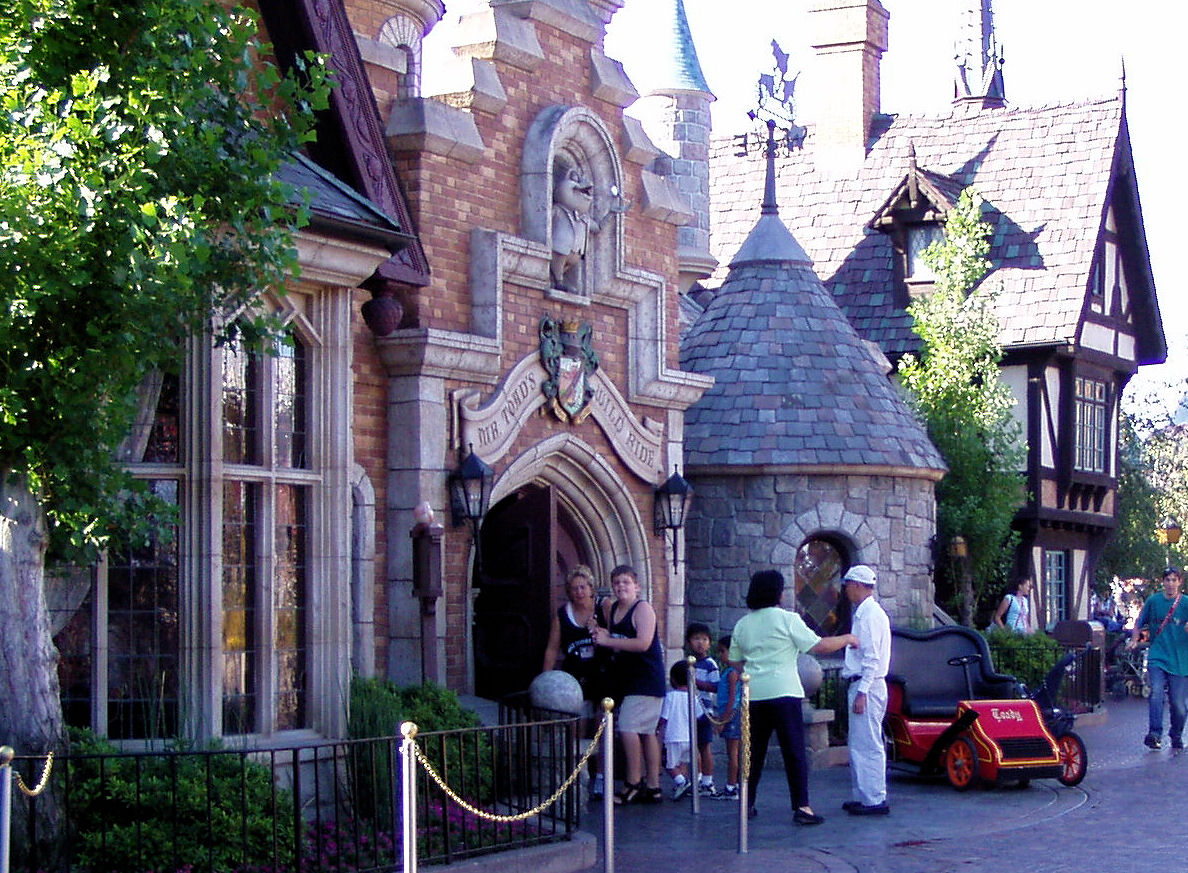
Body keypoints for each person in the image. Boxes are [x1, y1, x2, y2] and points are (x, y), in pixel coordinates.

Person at [727, 569, 857, 825]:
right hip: (785, 693)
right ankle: (801, 806)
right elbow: (819, 645)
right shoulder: (788, 619)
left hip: (754, 694)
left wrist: (756, 670)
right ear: (777, 592)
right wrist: (848, 638)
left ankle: (747, 803)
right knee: (794, 752)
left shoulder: (743, 624)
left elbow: (734, 661)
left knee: (752, 752)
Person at [591, 564, 666, 804]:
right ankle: (653, 786)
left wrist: (609, 640)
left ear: (637, 586)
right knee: (645, 732)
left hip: (647, 679)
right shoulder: (614, 609)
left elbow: (643, 643)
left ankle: (633, 782)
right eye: (616, 583)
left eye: (626, 582)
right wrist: (601, 635)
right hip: (628, 680)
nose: (621, 586)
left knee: (627, 727)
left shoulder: (642, 609)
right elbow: (614, 643)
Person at [541, 564, 605, 796]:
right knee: (576, 725)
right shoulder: (563, 614)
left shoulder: (603, 609)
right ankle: (577, 772)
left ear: (591, 588)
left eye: (582, 587)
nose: (578, 592)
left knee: (600, 725)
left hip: (601, 674)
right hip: (574, 676)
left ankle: (601, 776)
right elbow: (552, 647)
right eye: (574, 588)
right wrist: (545, 680)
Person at [839, 564, 892, 816]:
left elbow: (871, 657)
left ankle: (873, 798)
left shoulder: (869, 615)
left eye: (848, 585)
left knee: (868, 743)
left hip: (866, 685)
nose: (846, 590)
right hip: (865, 684)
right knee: (860, 742)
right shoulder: (866, 613)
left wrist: (862, 692)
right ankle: (864, 794)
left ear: (858, 585)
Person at [1129, 567, 1188, 750]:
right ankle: (1154, 734)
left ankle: (1176, 734)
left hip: (1179, 661)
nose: (1170, 583)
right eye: (1167, 580)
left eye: (1174, 580)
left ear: (1179, 582)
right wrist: (1134, 640)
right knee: (1155, 692)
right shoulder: (1154, 601)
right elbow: (1139, 621)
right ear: (1163, 582)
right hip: (1157, 656)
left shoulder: (1185, 603)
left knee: (1178, 705)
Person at [658, 661, 705, 800]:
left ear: (673, 679)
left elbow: (664, 717)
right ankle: (685, 784)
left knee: (669, 764)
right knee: (683, 762)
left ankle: (682, 782)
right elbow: (700, 716)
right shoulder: (694, 696)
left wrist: (657, 728)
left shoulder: (670, 696)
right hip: (689, 737)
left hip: (673, 737)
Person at [686, 622, 719, 796]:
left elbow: (716, 686)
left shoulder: (710, 664)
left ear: (709, 642)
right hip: (689, 710)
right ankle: (696, 779)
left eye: (704, 639)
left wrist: (697, 683)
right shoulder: (687, 663)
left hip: (704, 711)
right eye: (696, 638)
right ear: (689, 642)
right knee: (693, 746)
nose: (700, 643)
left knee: (704, 746)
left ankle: (708, 781)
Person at [715, 634, 742, 800]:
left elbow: (732, 699)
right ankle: (734, 784)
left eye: (723, 651)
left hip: (731, 715)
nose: (720, 655)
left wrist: (723, 720)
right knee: (732, 752)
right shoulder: (729, 672)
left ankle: (732, 786)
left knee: (733, 752)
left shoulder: (733, 673)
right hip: (731, 714)